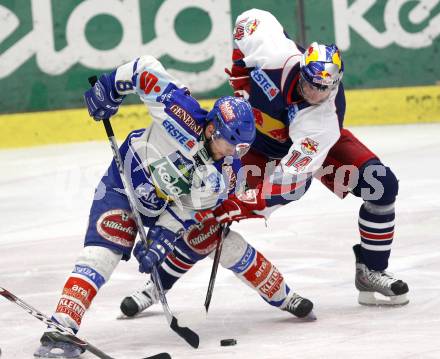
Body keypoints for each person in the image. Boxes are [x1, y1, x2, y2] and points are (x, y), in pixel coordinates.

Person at [120, 8, 408, 316]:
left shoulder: (322, 120)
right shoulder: (273, 54)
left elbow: (291, 180)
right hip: (250, 148)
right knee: (207, 216)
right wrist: (241, 72)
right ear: (302, 68)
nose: (313, 92)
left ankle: (371, 271)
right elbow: (247, 21)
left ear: (335, 83)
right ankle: (157, 284)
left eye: (323, 88)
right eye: (309, 82)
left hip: (305, 154)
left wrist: (245, 203)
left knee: (382, 185)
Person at [34, 54, 312, 359]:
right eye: (229, 143)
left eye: (240, 147)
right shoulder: (179, 112)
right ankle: (60, 328)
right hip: (123, 183)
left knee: (216, 238)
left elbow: (185, 209)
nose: (233, 152)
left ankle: (280, 294)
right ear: (211, 130)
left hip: (162, 205)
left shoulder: (222, 176)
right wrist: (109, 87)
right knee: (102, 253)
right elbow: (144, 69)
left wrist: (161, 240)